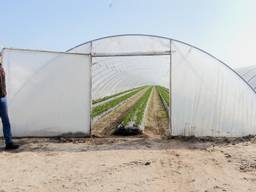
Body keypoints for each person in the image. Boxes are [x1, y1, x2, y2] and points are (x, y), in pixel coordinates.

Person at [0, 55, 19, 150]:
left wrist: (5, 93)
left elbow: (3, 82)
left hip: (2, 98)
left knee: (6, 121)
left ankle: (9, 143)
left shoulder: (1, 68)